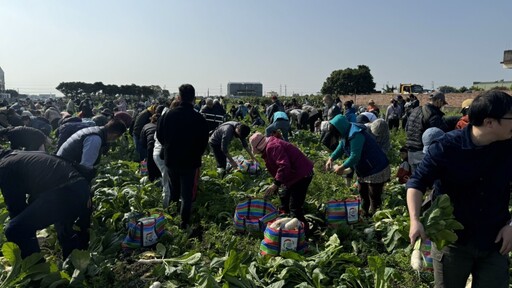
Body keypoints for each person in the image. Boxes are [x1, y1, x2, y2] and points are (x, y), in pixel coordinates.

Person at [407, 90, 512, 287]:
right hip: (453, 242)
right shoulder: (447, 147)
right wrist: (414, 220)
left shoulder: (508, 147)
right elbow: (417, 182)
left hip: (495, 241)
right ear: (490, 122)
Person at [0, 149, 91, 259]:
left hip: (64, 192)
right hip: (79, 186)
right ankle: (75, 264)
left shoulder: (4, 167)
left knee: (14, 229)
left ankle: (36, 270)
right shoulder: (20, 154)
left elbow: (16, 208)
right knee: (66, 229)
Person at [156, 84, 209, 229]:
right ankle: (183, 223)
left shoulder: (168, 115)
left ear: (179, 97)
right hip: (190, 161)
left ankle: (172, 218)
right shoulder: (199, 118)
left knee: (174, 189)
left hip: (171, 159)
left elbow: (160, 136)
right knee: (186, 194)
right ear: (194, 98)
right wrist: (196, 153)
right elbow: (204, 142)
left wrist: (169, 146)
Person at [324, 115, 390, 217]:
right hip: (365, 168)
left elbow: (355, 156)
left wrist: (342, 167)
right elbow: (341, 147)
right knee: (362, 192)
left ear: (340, 129)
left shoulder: (356, 134)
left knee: (373, 195)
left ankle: (376, 219)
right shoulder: (346, 132)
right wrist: (331, 158)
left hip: (375, 167)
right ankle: (365, 214)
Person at [249, 132, 314, 234]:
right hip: (294, 175)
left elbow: (284, 166)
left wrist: (276, 184)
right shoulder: (269, 146)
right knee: (284, 196)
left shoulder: (272, 147)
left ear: (259, 147)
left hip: (302, 175)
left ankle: (304, 233)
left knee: (295, 207)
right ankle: (285, 219)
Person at [405, 91, 450, 173]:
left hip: (410, 151)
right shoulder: (433, 115)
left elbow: (407, 128)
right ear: (438, 101)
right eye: (442, 103)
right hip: (422, 151)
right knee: (428, 180)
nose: (442, 106)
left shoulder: (416, 110)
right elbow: (441, 135)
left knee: (416, 180)